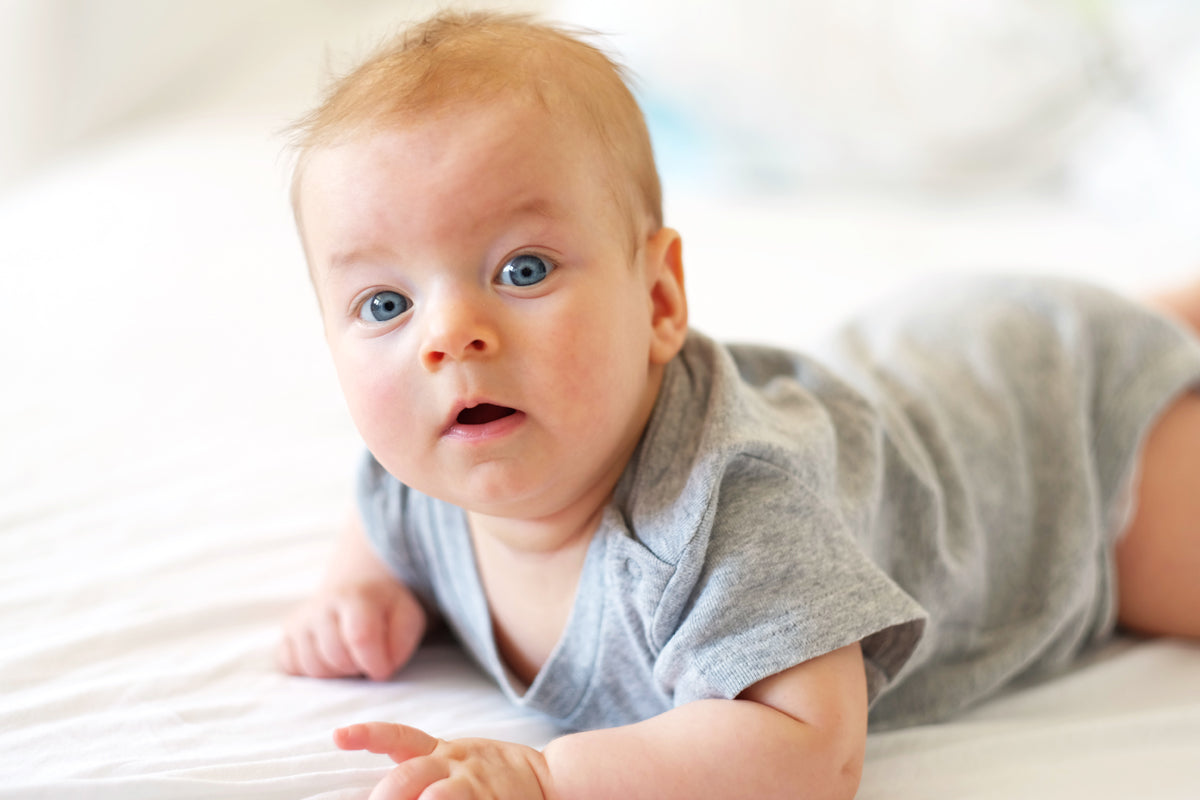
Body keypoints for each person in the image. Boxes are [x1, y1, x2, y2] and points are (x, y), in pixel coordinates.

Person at [277, 10, 1200, 799]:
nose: (448, 336)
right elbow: (383, 509)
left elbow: (810, 747)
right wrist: (356, 585)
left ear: (659, 301)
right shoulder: (433, 467)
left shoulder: (725, 510)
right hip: (921, 368)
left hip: (1055, 446)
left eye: (522, 270)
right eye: (385, 305)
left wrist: (553, 777)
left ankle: (1140, 331)